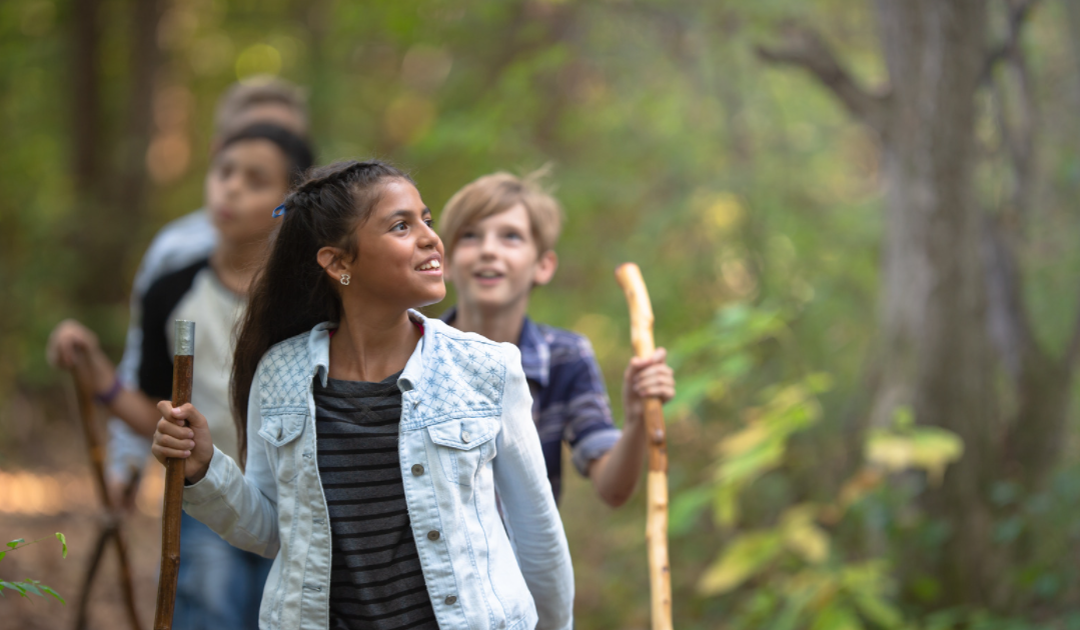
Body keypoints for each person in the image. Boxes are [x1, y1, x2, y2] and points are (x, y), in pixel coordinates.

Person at [150, 160, 574, 630]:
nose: (432, 238)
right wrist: (204, 470)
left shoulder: (487, 369)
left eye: (427, 221)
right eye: (400, 226)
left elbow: (538, 533)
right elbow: (274, 530)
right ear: (338, 262)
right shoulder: (282, 374)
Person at [48, 124, 315, 629]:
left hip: (297, 504)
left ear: (292, 202)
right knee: (208, 610)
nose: (231, 187)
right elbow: (149, 407)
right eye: (224, 172)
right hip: (204, 500)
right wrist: (94, 371)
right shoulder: (171, 290)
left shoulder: (312, 300)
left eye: (255, 180)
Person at [106, 78, 310, 488]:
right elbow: (142, 371)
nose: (234, 187)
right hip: (208, 490)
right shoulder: (174, 258)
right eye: (230, 168)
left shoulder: (315, 281)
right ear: (217, 152)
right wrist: (124, 464)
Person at [437, 171, 676, 506]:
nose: (488, 250)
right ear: (444, 261)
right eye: (470, 236)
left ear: (543, 265)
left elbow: (613, 488)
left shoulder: (566, 356)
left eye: (511, 237)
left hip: (527, 559)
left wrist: (637, 418)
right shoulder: (411, 353)